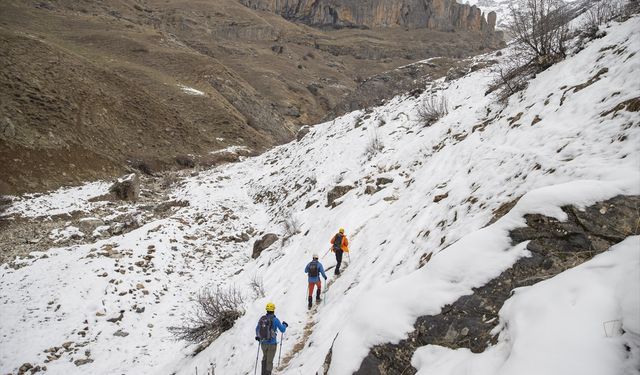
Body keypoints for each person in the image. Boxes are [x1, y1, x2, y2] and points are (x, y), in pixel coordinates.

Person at [255, 302, 288, 375]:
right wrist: (284, 325)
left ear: (266, 310)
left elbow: (257, 329)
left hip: (263, 343)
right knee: (269, 361)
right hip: (272, 344)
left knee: (264, 358)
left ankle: (263, 373)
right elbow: (282, 329)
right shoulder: (275, 320)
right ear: (273, 310)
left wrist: (259, 337)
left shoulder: (262, 319)